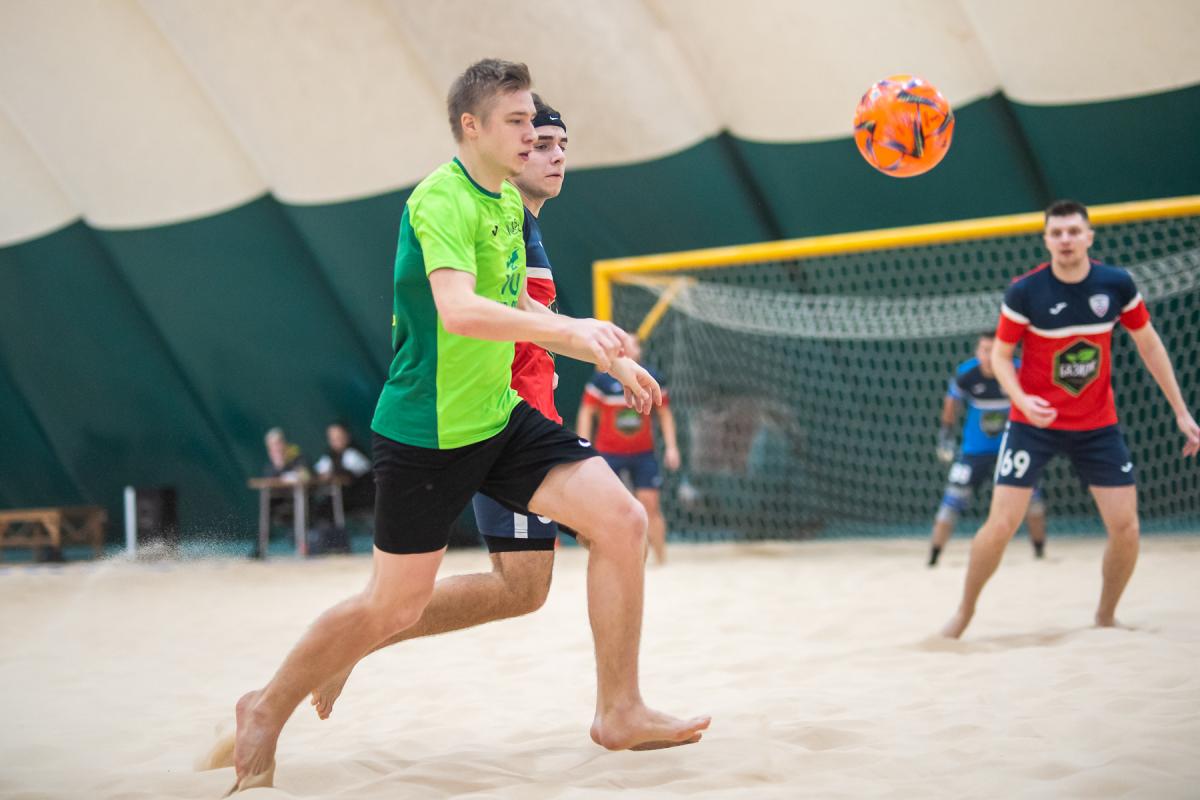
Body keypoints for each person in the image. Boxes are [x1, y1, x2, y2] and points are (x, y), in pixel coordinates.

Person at [219, 60, 708, 793]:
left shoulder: (507, 203)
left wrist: (604, 354)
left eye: (536, 123)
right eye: (518, 122)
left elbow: (519, 306)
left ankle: (620, 710)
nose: (533, 135)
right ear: (471, 127)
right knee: (393, 606)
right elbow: (460, 310)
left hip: (501, 417)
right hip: (428, 432)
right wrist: (571, 330)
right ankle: (265, 706)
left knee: (621, 521)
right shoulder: (439, 200)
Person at [307, 93, 579, 720]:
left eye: (561, 145)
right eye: (540, 143)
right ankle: (355, 639)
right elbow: (471, 316)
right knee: (609, 531)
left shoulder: (520, 223)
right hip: (501, 422)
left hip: (520, 414)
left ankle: (358, 637)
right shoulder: (490, 215)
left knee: (523, 589)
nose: (554, 155)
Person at [942, 199, 1199, 639]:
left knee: (1126, 527)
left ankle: (1105, 616)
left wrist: (1181, 411)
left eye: (1073, 231)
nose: (1065, 240)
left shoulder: (1116, 284)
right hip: (1033, 424)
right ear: (1046, 240)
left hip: (1097, 424)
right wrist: (1022, 399)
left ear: (1089, 237)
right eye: (1057, 233)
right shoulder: (1025, 291)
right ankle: (963, 614)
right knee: (1000, 525)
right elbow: (1001, 357)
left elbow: (1150, 344)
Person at [927, 333, 1047, 566]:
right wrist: (946, 434)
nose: (989, 357)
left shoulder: (1018, 370)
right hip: (974, 451)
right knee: (952, 500)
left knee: (1033, 498)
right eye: (984, 350)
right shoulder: (967, 374)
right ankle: (933, 557)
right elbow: (951, 401)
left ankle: (1040, 552)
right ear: (977, 352)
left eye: (994, 350)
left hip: (1012, 449)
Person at [577, 337, 680, 564]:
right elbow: (587, 412)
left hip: (643, 453)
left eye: (633, 342)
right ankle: (607, 558)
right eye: (624, 341)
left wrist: (672, 447)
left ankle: (661, 560)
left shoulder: (652, 378)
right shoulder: (601, 380)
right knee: (605, 507)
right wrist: (583, 446)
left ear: (639, 350)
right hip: (609, 454)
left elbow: (665, 414)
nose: (628, 346)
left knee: (650, 505)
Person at [313, 421, 374, 517]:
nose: (336, 441)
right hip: (341, 498)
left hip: (361, 498)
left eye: (339, 437)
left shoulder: (354, 453)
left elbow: (347, 479)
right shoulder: (330, 455)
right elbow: (319, 473)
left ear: (347, 436)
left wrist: (331, 476)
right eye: (333, 438)